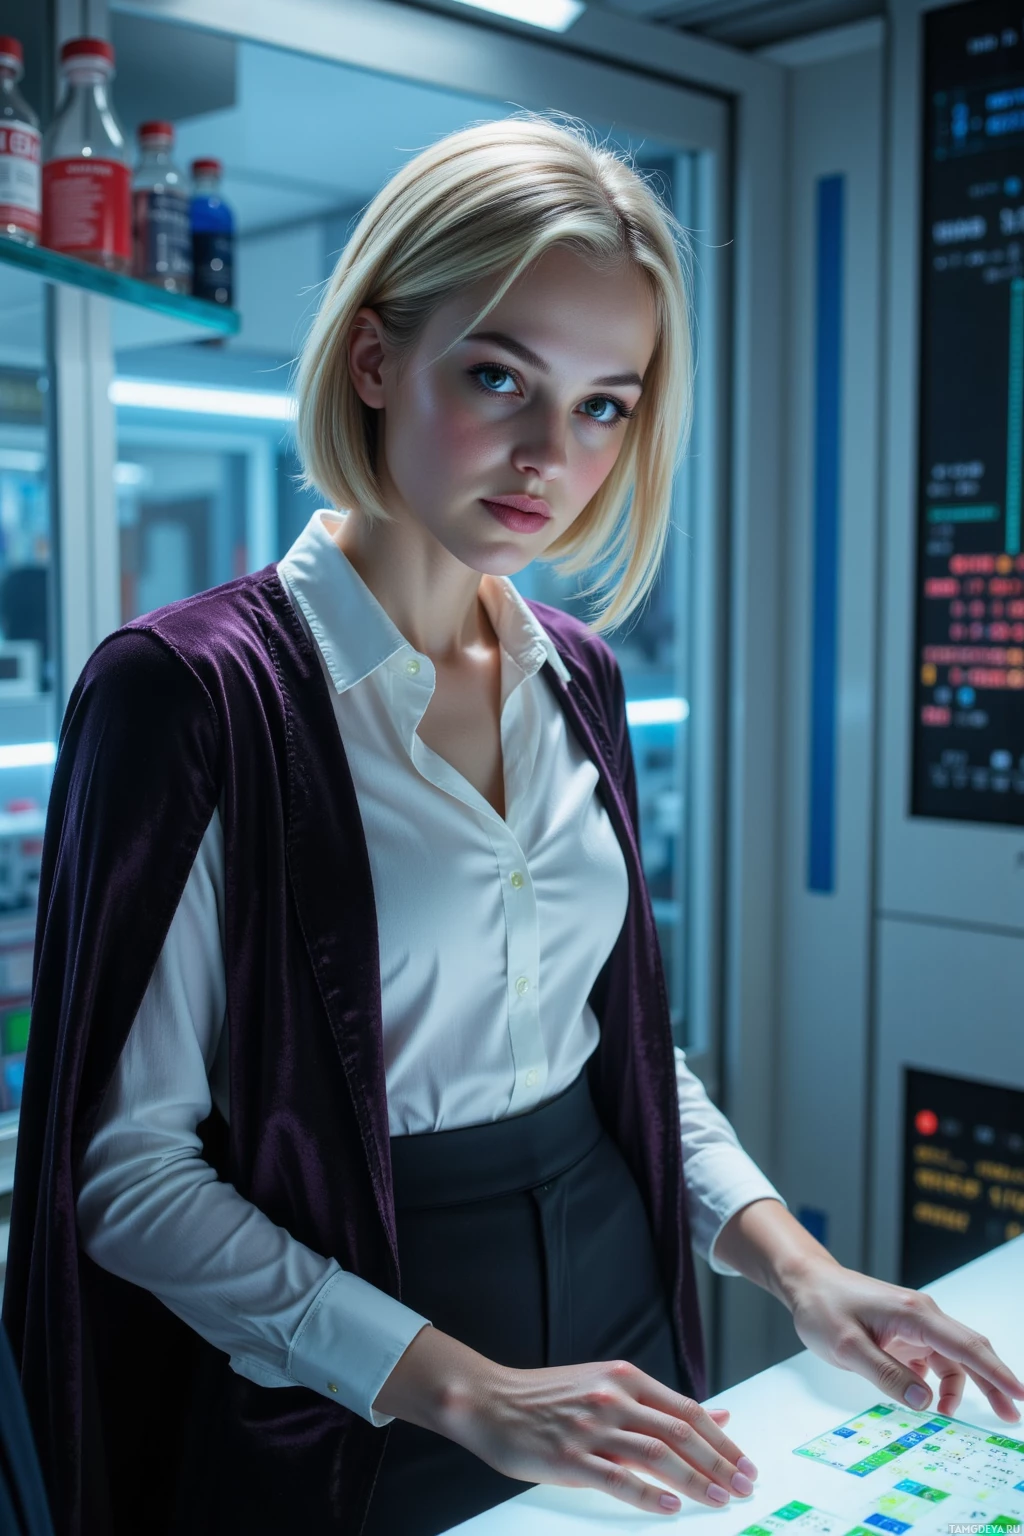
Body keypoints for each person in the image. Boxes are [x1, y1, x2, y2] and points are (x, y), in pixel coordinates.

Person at [4, 111, 1022, 1536]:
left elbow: (614, 1055)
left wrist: (799, 1268)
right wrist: (465, 1390)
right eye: (500, 376)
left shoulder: (578, 674)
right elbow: (128, 1179)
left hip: (621, 1312)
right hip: (351, 1367)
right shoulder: (188, 694)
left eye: (607, 403)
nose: (554, 453)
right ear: (373, 358)